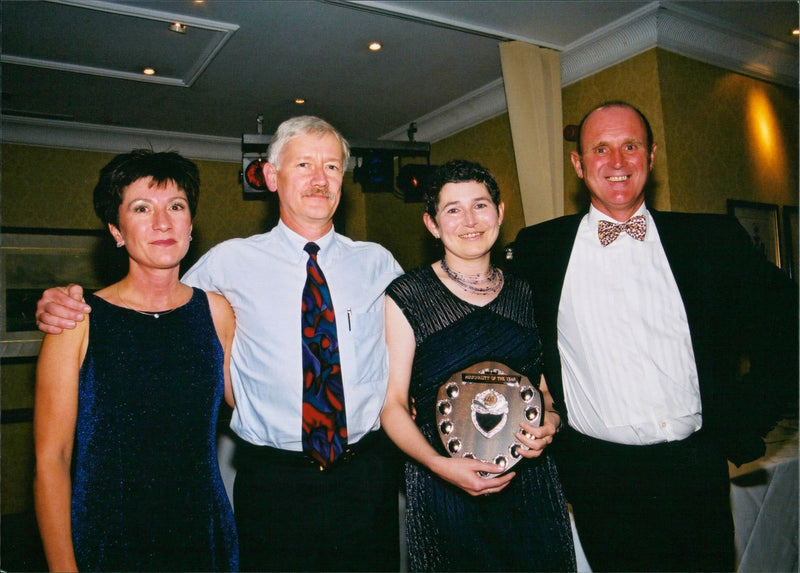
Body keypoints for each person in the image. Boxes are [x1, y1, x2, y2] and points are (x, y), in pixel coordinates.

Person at [35, 116, 404, 572]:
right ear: (271, 176)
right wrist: (61, 300)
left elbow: (424, 338)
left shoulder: (379, 264)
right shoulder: (228, 265)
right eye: (304, 163)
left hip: (365, 476)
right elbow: (156, 311)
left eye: (331, 167)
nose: (318, 179)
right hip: (272, 484)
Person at [508, 101, 799, 572]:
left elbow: (788, 323)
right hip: (600, 480)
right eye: (601, 149)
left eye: (631, 146)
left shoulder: (711, 240)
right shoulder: (539, 250)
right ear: (578, 164)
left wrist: (744, 419)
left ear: (652, 155)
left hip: (695, 473)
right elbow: (503, 333)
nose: (618, 162)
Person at [34, 150, 238, 572]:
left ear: (190, 224)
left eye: (175, 207)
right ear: (116, 230)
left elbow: (257, 399)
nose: (162, 222)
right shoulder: (78, 321)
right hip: (108, 538)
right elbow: (51, 459)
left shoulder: (216, 311)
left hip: (202, 535)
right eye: (142, 208)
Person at [382, 160, 576, 572]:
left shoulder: (526, 292)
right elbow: (392, 406)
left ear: (500, 213)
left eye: (481, 205)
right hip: (443, 486)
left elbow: (542, 389)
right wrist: (440, 467)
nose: (469, 221)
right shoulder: (408, 295)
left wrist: (552, 423)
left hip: (530, 484)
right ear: (431, 224)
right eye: (452, 209)